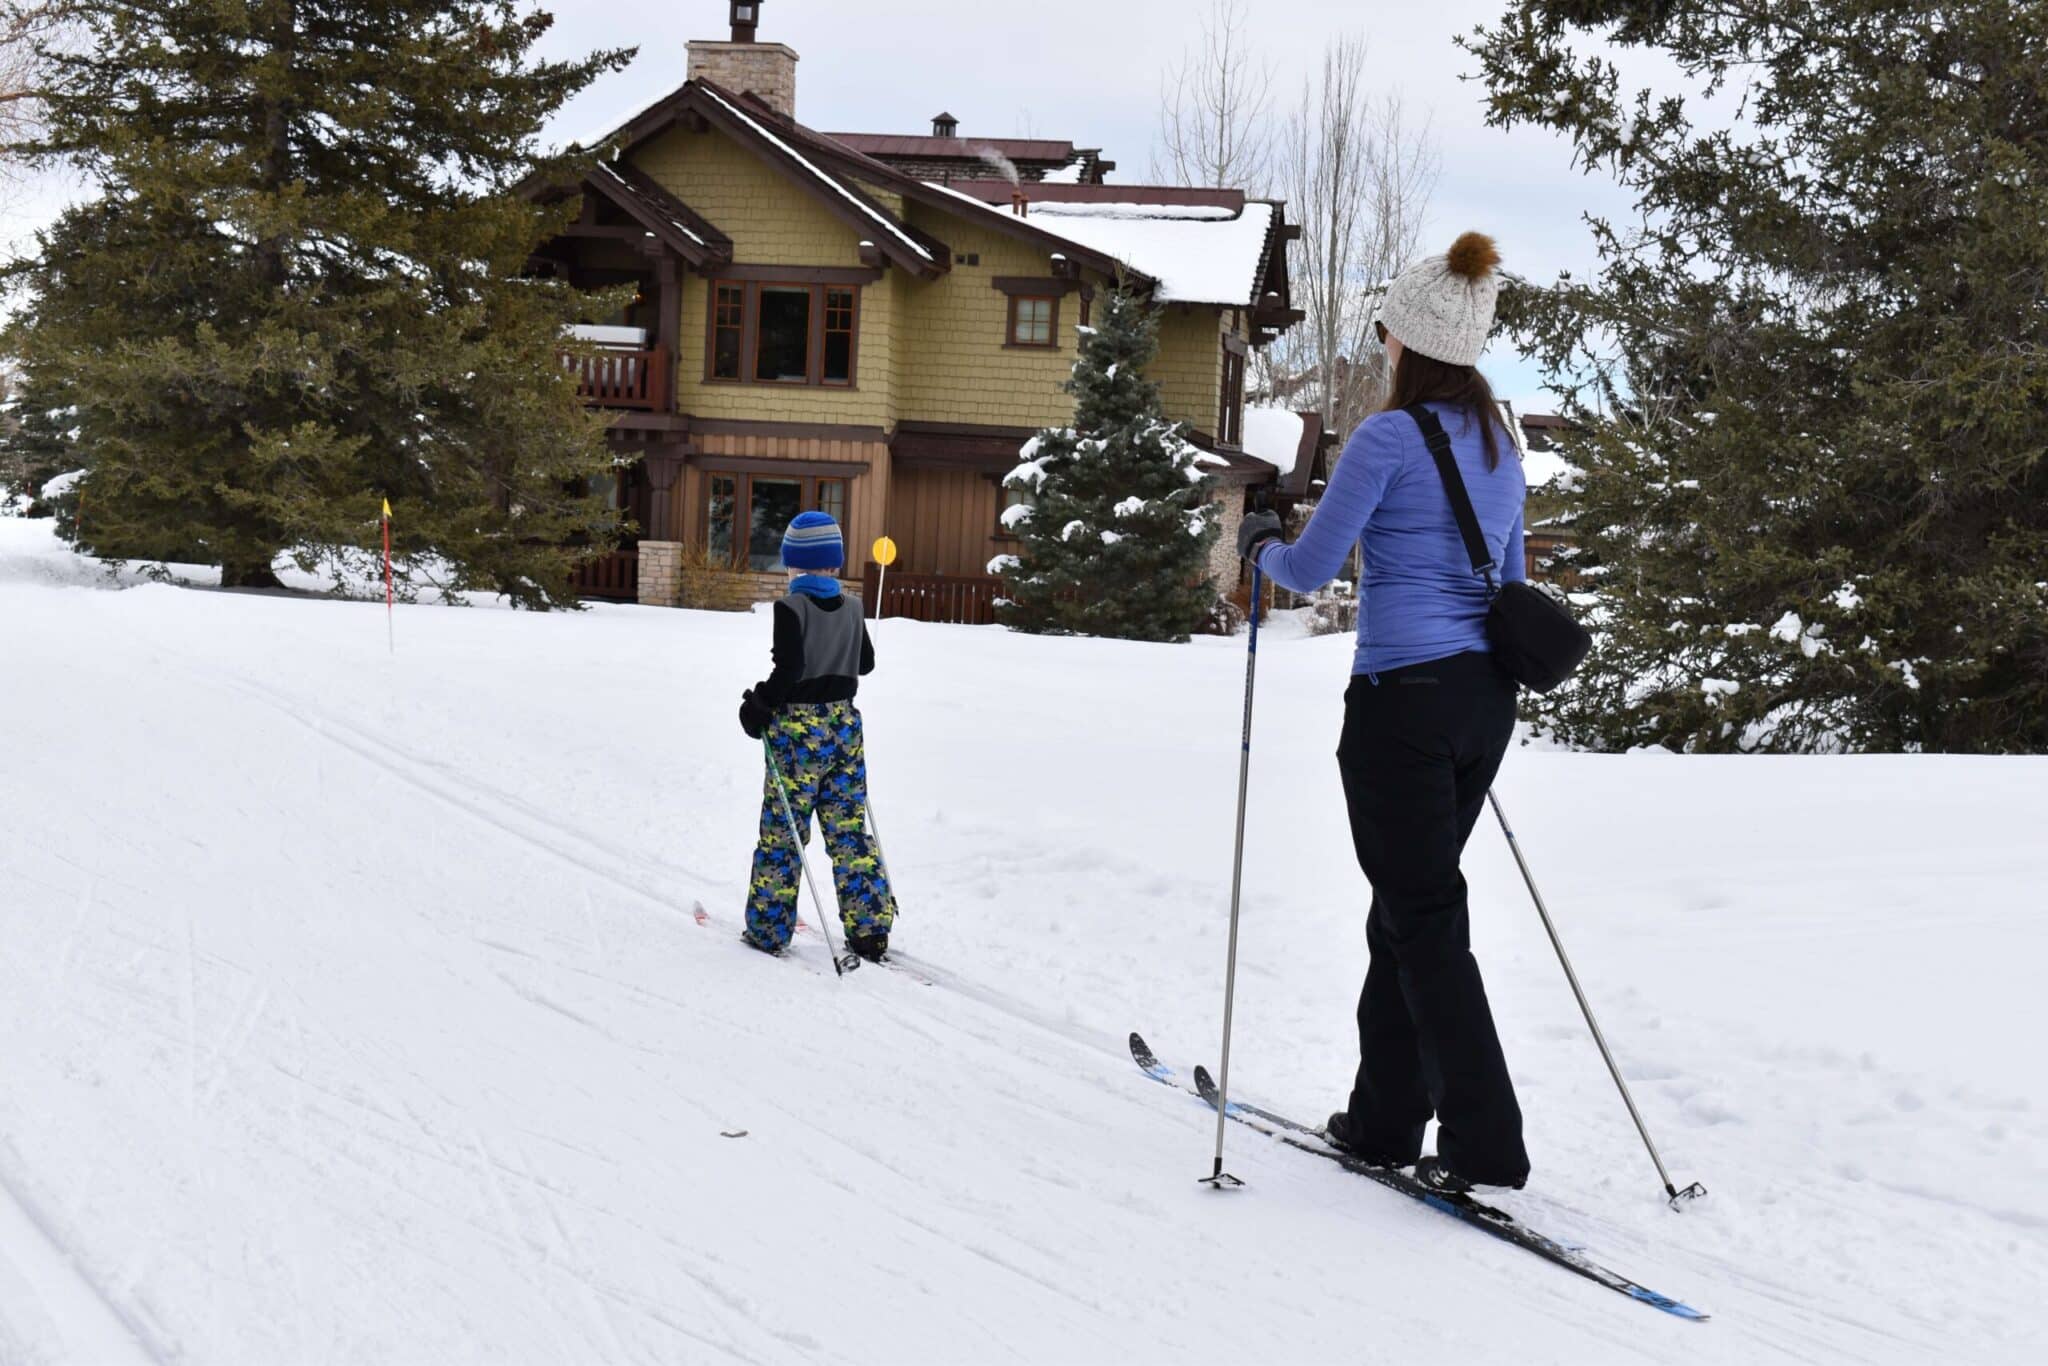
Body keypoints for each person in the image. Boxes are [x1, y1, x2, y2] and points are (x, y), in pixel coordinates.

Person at [1236, 232, 1531, 1193]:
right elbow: (1513, 582)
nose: (1381, 346)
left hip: (1400, 706)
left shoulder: (1387, 438)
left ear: (1407, 340)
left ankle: (1487, 1141)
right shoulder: (1502, 443)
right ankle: (1385, 1119)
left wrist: (1260, 543)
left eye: (1384, 332)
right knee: (1402, 912)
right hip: (1482, 702)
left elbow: (1311, 568)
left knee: (1423, 916)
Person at [737, 511, 897, 961]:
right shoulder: (853, 606)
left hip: (798, 737)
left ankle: (769, 929)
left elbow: (789, 670)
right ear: (834, 564)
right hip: (845, 729)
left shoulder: (791, 609)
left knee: (785, 831)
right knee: (848, 829)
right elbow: (863, 665)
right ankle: (870, 928)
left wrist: (760, 705)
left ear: (796, 565)